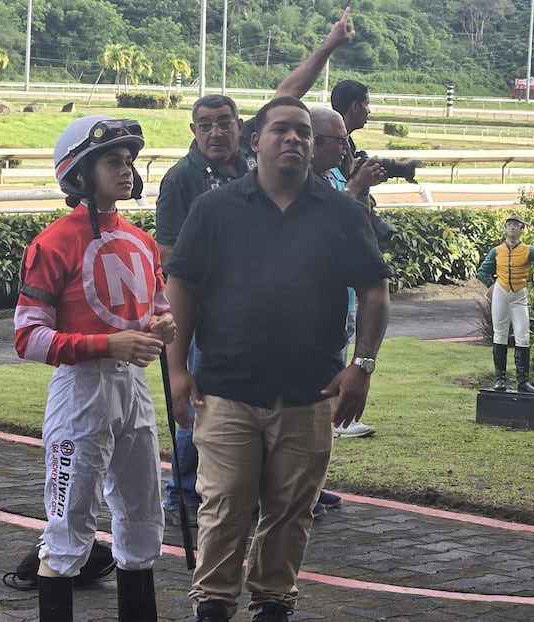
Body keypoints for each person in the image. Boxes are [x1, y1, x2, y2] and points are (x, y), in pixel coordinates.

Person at [164, 96, 390, 622]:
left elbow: (375, 290)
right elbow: (183, 287)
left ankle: (273, 604)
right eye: (282, 130)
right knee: (223, 507)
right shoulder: (214, 208)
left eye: (304, 133)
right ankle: (214, 605)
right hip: (225, 388)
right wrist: (177, 369)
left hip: (310, 390)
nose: (294, 139)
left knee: (291, 511)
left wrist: (363, 365)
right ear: (256, 140)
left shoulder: (341, 212)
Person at [156, 7, 356, 528]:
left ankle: (276, 486)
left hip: (262, 318)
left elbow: (288, 94)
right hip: (208, 310)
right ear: (194, 130)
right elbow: (171, 256)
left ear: (244, 131)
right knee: (198, 394)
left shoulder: (252, 164)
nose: (216, 132)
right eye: (205, 125)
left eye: (225, 123)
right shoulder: (184, 178)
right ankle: (181, 489)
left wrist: (330, 45)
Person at [14, 115, 176, 622]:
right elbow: (29, 338)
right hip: (80, 393)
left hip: (134, 390)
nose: (126, 170)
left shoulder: (142, 241)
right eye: (113, 161)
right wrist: (108, 343)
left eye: (128, 161)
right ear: (80, 173)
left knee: (144, 517)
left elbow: (160, 308)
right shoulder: (53, 242)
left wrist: (164, 326)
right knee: (67, 527)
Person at [309, 106, 385, 441]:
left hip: (340, 301)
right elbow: (322, 226)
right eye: (340, 141)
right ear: (315, 141)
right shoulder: (293, 182)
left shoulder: (334, 175)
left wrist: (362, 190)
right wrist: (354, 188)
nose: (345, 148)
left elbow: (358, 225)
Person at [477, 214, 534, 393]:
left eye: (516, 225)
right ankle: (500, 380)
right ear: (505, 228)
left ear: (521, 230)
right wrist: (491, 284)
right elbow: (482, 271)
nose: (512, 228)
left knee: (523, 335)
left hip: (519, 294)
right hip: (501, 293)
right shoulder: (497, 251)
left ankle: (523, 381)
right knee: (500, 334)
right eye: (509, 225)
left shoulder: (528, 250)